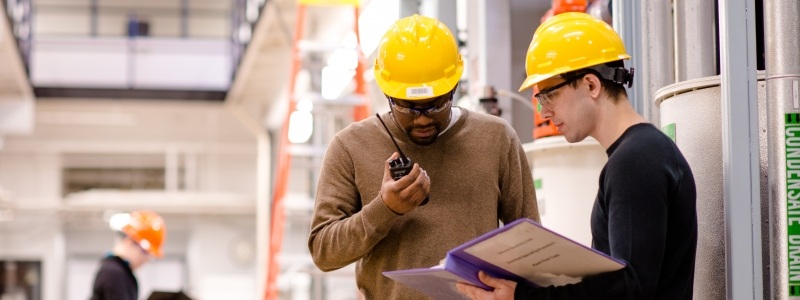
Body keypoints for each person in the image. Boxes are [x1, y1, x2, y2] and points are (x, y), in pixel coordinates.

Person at [457, 12, 697, 299]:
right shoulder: (639, 154)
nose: (544, 112)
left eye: (550, 96)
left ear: (591, 85)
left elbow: (632, 288)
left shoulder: (635, 161)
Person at [307, 14, 540, 299]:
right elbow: (323, 252)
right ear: (387, 93)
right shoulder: (350, 146)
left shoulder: (496, 139)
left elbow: (531, 244)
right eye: (408, 108)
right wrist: (385, 209)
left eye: (435, 105)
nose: (421, 120)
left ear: (454, 87)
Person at [91, 210, 167, 300]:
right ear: (130, 241)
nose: (146, 259)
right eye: (145, 252)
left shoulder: (122, 273)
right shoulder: (114, 273)